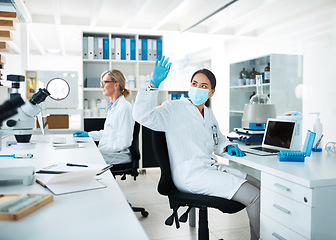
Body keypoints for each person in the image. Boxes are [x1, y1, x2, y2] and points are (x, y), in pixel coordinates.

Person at [132, 56, 260, 240]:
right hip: (190, 175)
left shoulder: (208, 113)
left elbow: (218, 138)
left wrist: (228, 146)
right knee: (254, 196)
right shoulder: (173, 109)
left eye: (203, 86)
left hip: (208, 169)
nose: (197, 89)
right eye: (194, 83)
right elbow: (142, 115)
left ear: (211, 92)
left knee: (262, 187)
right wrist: (153, 84)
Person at [74, 69, 135, 165]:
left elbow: (124, 142)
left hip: (118, 155)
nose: (101, 86)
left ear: (116, 84)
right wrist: (89, 135)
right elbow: (108, 133)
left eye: (104, 83)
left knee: (83, 159)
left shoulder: (124, 108)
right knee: (81, 156)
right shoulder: (113, 106)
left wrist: (100, 149)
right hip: (110, 152)